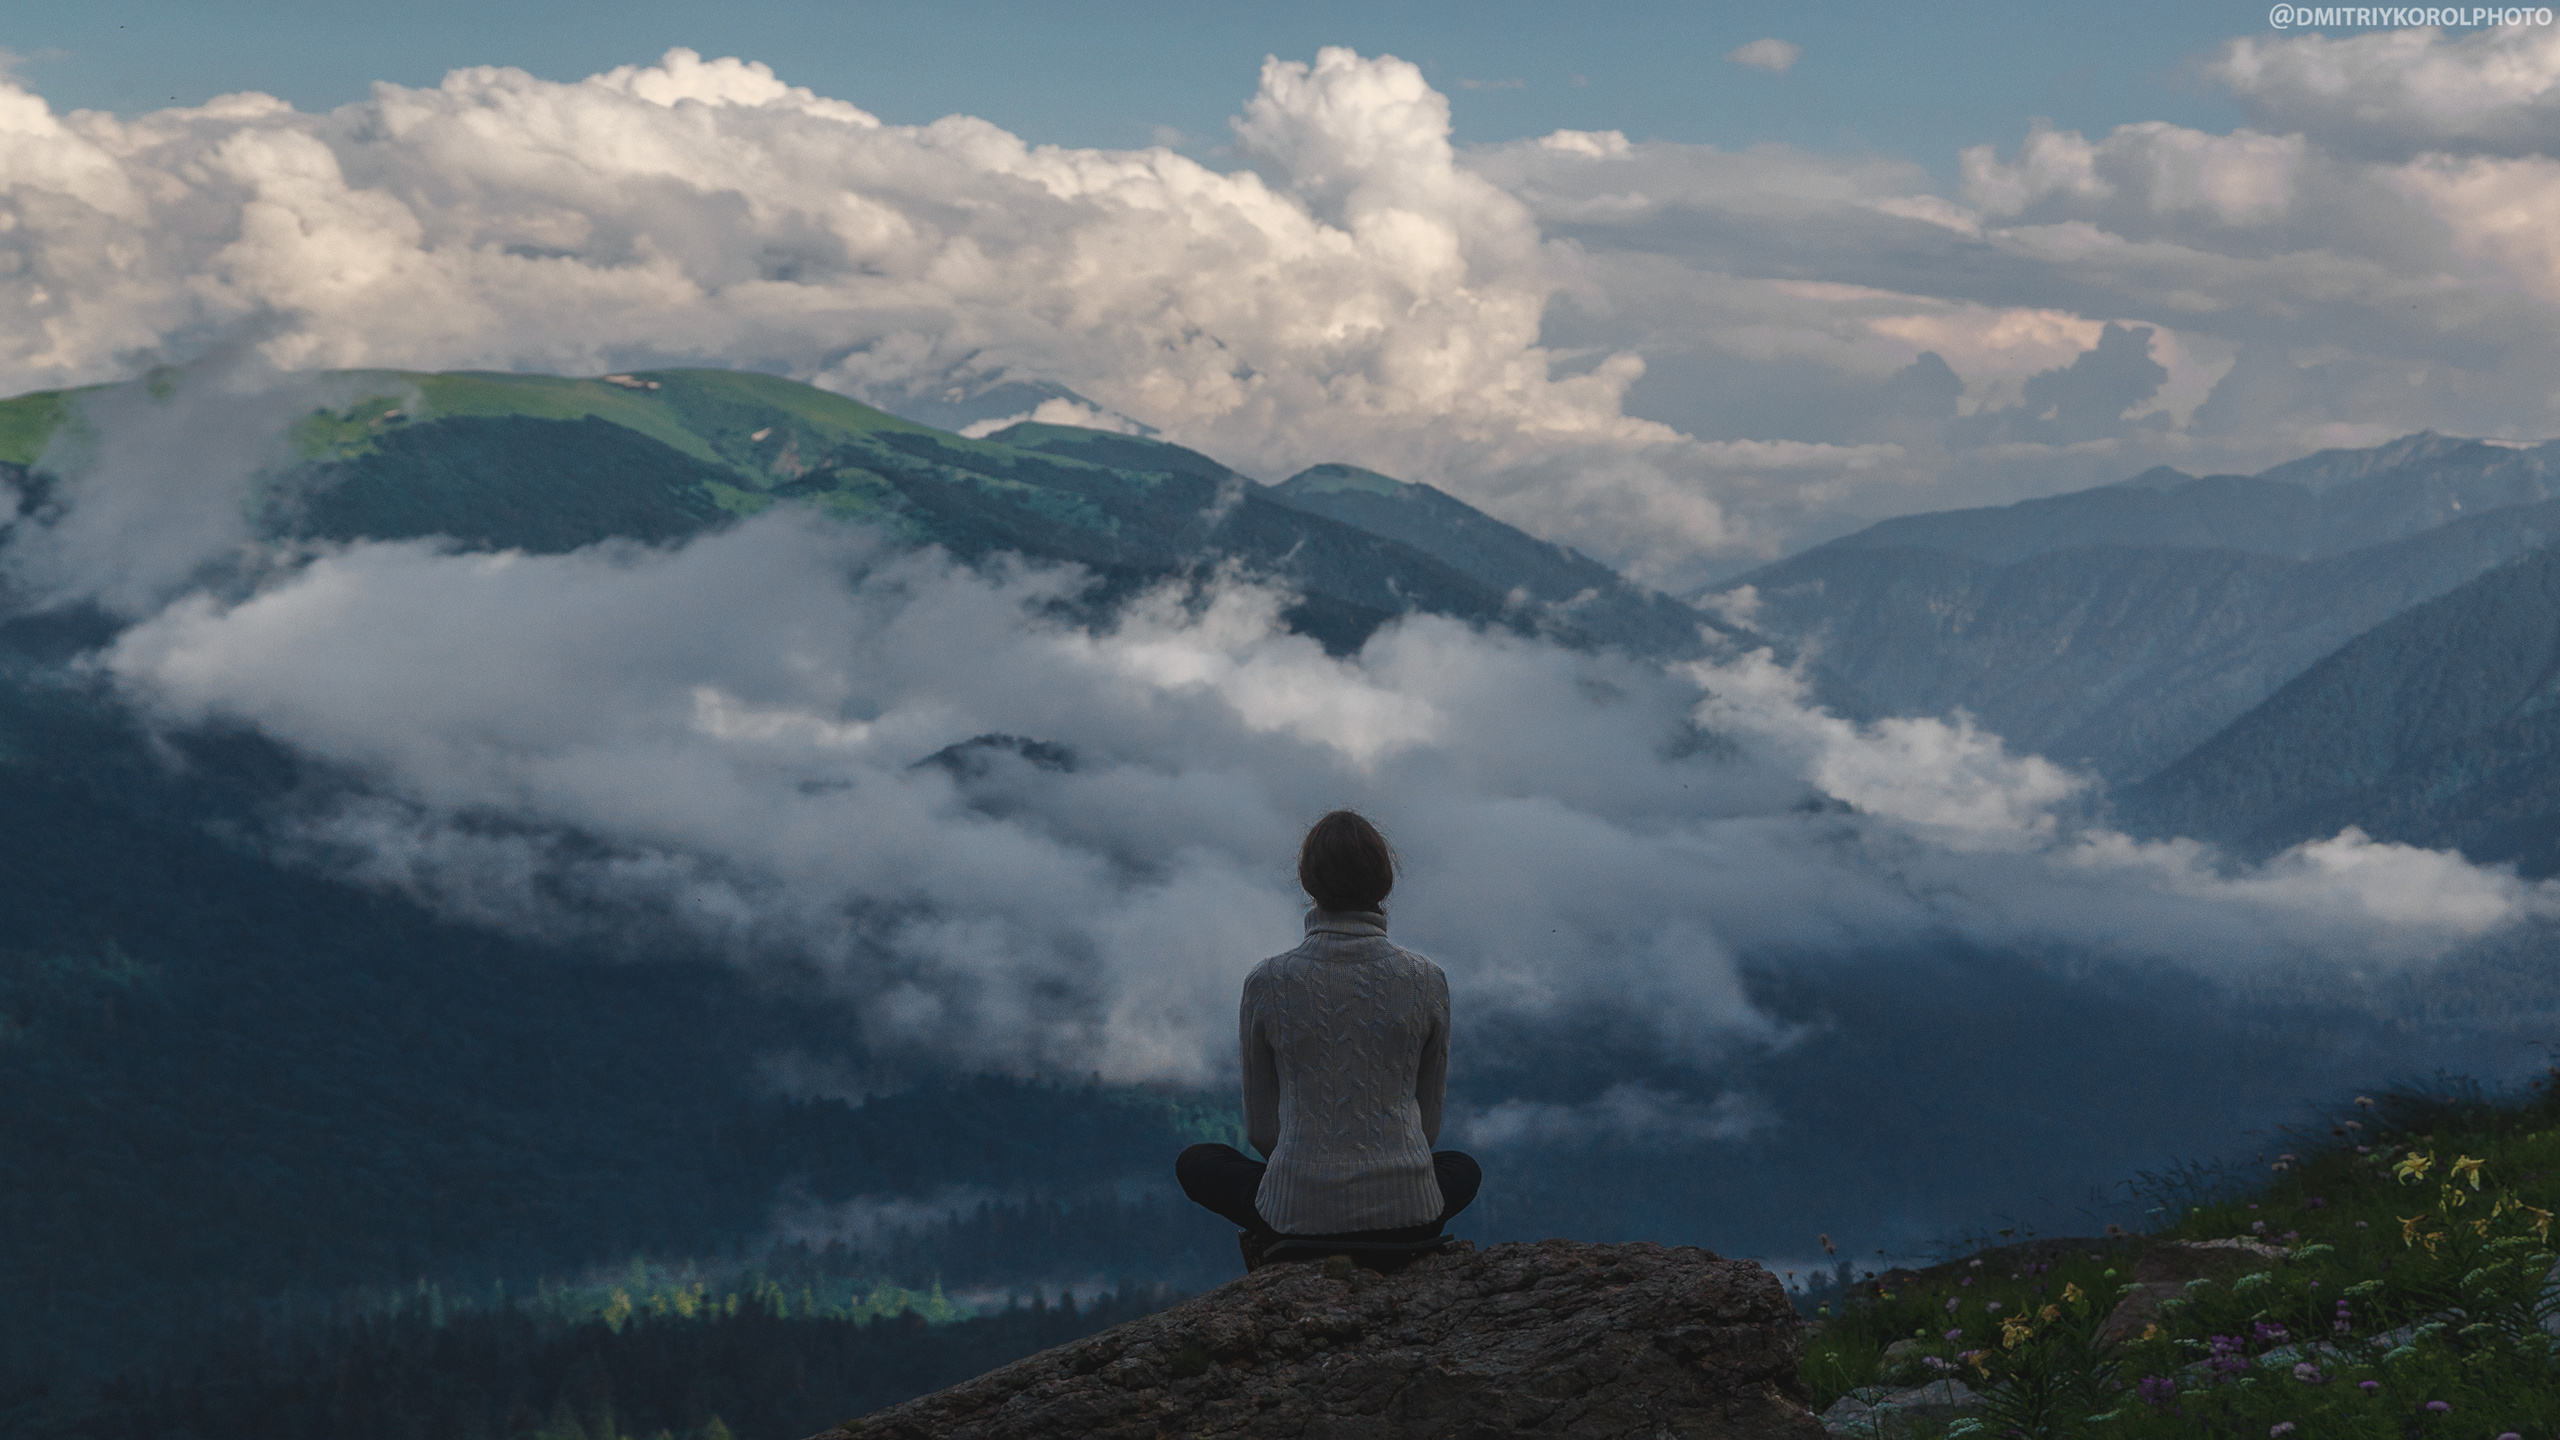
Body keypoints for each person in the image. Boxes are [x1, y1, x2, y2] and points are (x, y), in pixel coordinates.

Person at [1175, 809, 1481, 1270]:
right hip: (1410, 1217)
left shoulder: (1268, 981)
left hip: (1296, 1217)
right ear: (1384, 883)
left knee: (1198, 1161)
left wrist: (1315, 1181)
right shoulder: (1426, 979)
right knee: (1462, 1168)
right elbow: (1428, 1126)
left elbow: (1262, 1131)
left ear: (1308, 882)